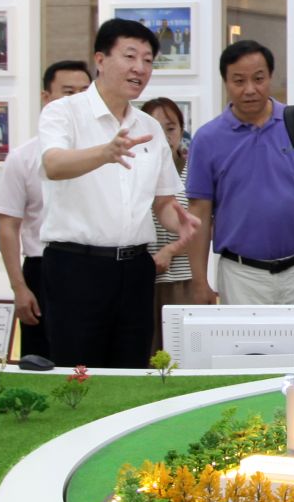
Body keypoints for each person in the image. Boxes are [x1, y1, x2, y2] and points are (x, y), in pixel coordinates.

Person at [38, 19, 198, 367]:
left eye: (148, 60)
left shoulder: (149, 127)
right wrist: (105, 153)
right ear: (100, 59)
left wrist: (179, 222)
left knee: (132, 368)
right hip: (76, 266)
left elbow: (163, 201)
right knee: (77, 371)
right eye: (130, 56)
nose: (140, 68)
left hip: (135, 269)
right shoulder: (63, 112)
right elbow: (53, 164)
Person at [186, 41, 294, 306]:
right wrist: (199, 281)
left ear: (270, 77)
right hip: (241, 274)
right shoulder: (207, 139)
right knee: (242, 336)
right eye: (239, 81)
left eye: (258, 79)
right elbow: (199, 214)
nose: (250, 89)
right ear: (225, 82)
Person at [0, 59, 92, 358]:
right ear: (46, 98)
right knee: (44, 359)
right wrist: (19, 288)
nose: (77, 100)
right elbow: (8, 226)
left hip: (94, 266)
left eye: (85, 92)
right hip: (43, 268)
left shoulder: (105, 153)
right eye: (68, 92)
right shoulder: (23, 158)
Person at [141, 97, 198, 345]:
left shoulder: (193, 171)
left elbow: (202, 226)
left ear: (181, 130)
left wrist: (171, 251)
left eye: (171, 128)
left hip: (182, 279)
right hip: (142, 277)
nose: (164, 136)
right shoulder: (132, 170)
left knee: (181, 352)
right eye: (155, 128)